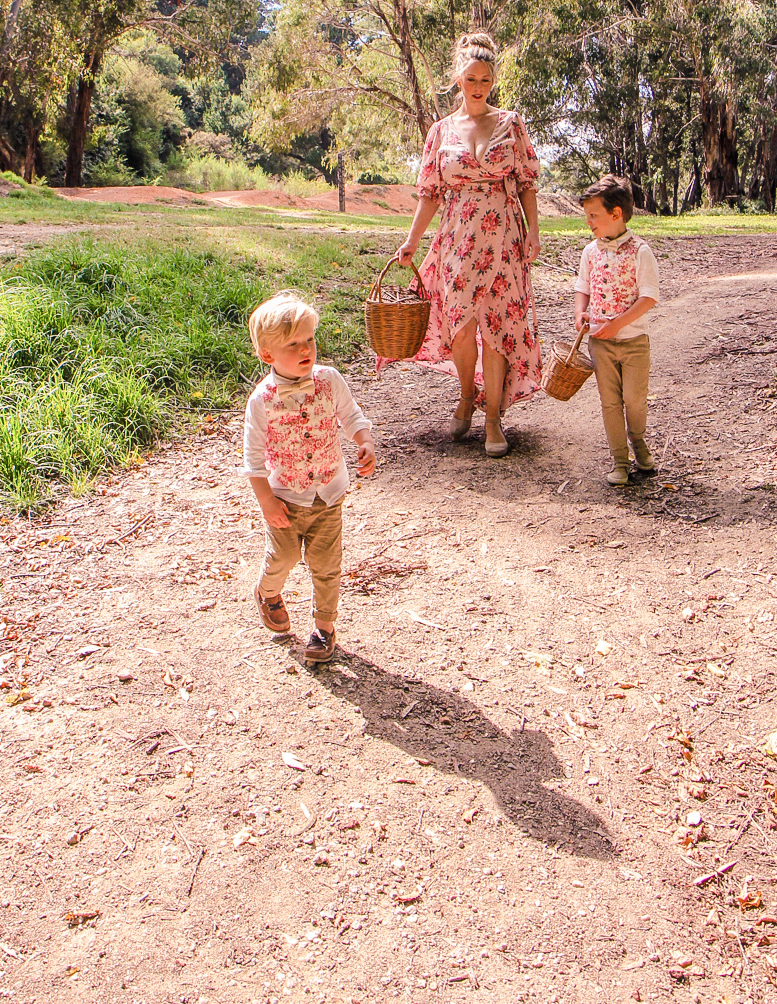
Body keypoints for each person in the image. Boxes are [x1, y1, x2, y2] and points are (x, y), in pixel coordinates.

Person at [396, 32, 542, 458]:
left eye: (486, 80)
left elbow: (527, 183)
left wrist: (534, 230)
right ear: (457, 79)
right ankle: (465, 395)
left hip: (503, 238)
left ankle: (494, 417)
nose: (478, 87)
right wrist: (411, 241)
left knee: (496, 326)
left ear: (492, 81)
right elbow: (429, 193)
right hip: (458, 237)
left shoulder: (511, 123)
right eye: (471, 79)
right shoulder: (440, 131)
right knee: (460, 326)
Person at [244, 291, 376, 664]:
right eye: (293, 344)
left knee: (326, 564)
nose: (306, 349)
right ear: (267, 354)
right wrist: (267, 501)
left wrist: (364, 442)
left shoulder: (329, 381)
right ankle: (267, 592)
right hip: (285, 496)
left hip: (328, 494)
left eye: (310, 340)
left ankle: (324, 628)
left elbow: (351, 415)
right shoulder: (261, 400)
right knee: (282, 557)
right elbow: (253, 459)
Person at [573, 174, 660, 486]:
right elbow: (582, 287)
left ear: (616, 214)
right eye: (587, 216)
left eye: (594, 216)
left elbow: (649, 296)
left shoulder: (640, 252)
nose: (589, 223)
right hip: (600, 343)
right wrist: (580, 312)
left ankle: (638, 442)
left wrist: (617, 324)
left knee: (635, 399)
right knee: (609, 401)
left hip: (634, 341)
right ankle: (619, 460)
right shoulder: (590, 252)